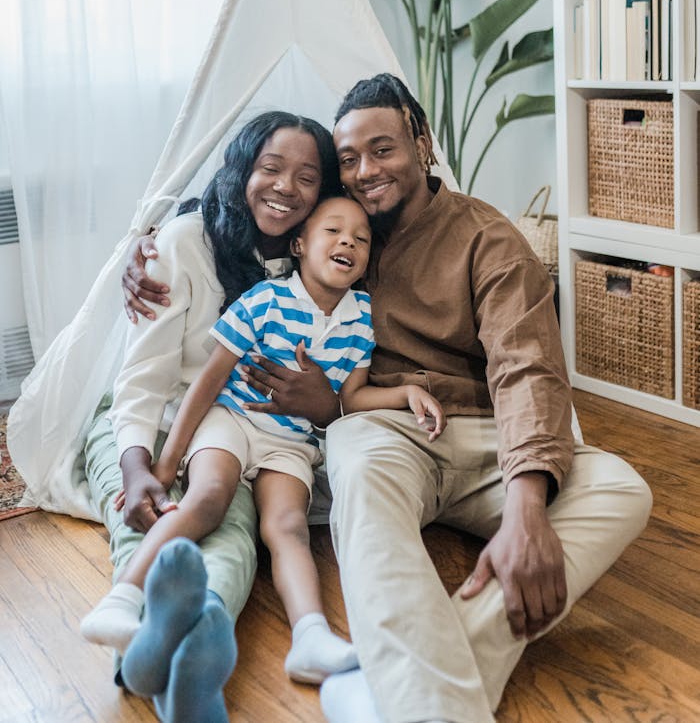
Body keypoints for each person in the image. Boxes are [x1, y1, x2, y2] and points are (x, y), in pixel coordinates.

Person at [127, 74, 653, 723]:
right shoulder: (339, 232)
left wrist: (526, 506)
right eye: (348, 161)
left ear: (423, 142)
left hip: (487, 436)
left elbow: (526, 370)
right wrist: (151, 238)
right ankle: (428, 704)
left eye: (383, 150)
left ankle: (394, 690)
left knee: (622, 488)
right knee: (361, 468)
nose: (366, 172)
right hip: (387, 425)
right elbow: (243, 220)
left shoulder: (488, 239)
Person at [83, 194, 443, 690]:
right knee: (207, 498)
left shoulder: (362, 314)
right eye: (333, 232)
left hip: (290, 443)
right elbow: (209, 382)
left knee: (289, 527)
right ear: (299, 244)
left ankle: (310, 638)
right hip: (231, 419)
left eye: (361, 239)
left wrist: (404, 392)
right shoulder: (266, 300)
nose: (348, 242)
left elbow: (352, 396)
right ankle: (121, 599)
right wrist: (167, 464)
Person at [81, 110, 343, 723]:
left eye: (307, 177)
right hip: (145, 423)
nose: (285, 188)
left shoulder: (315, 265)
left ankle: (190, 648)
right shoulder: (183, 243)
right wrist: (139, 465)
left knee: (230, 536)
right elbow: (140, 381)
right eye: (270, 168)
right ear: (242, 168)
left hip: (234, 432)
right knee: (148, 514)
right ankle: (131, 623)